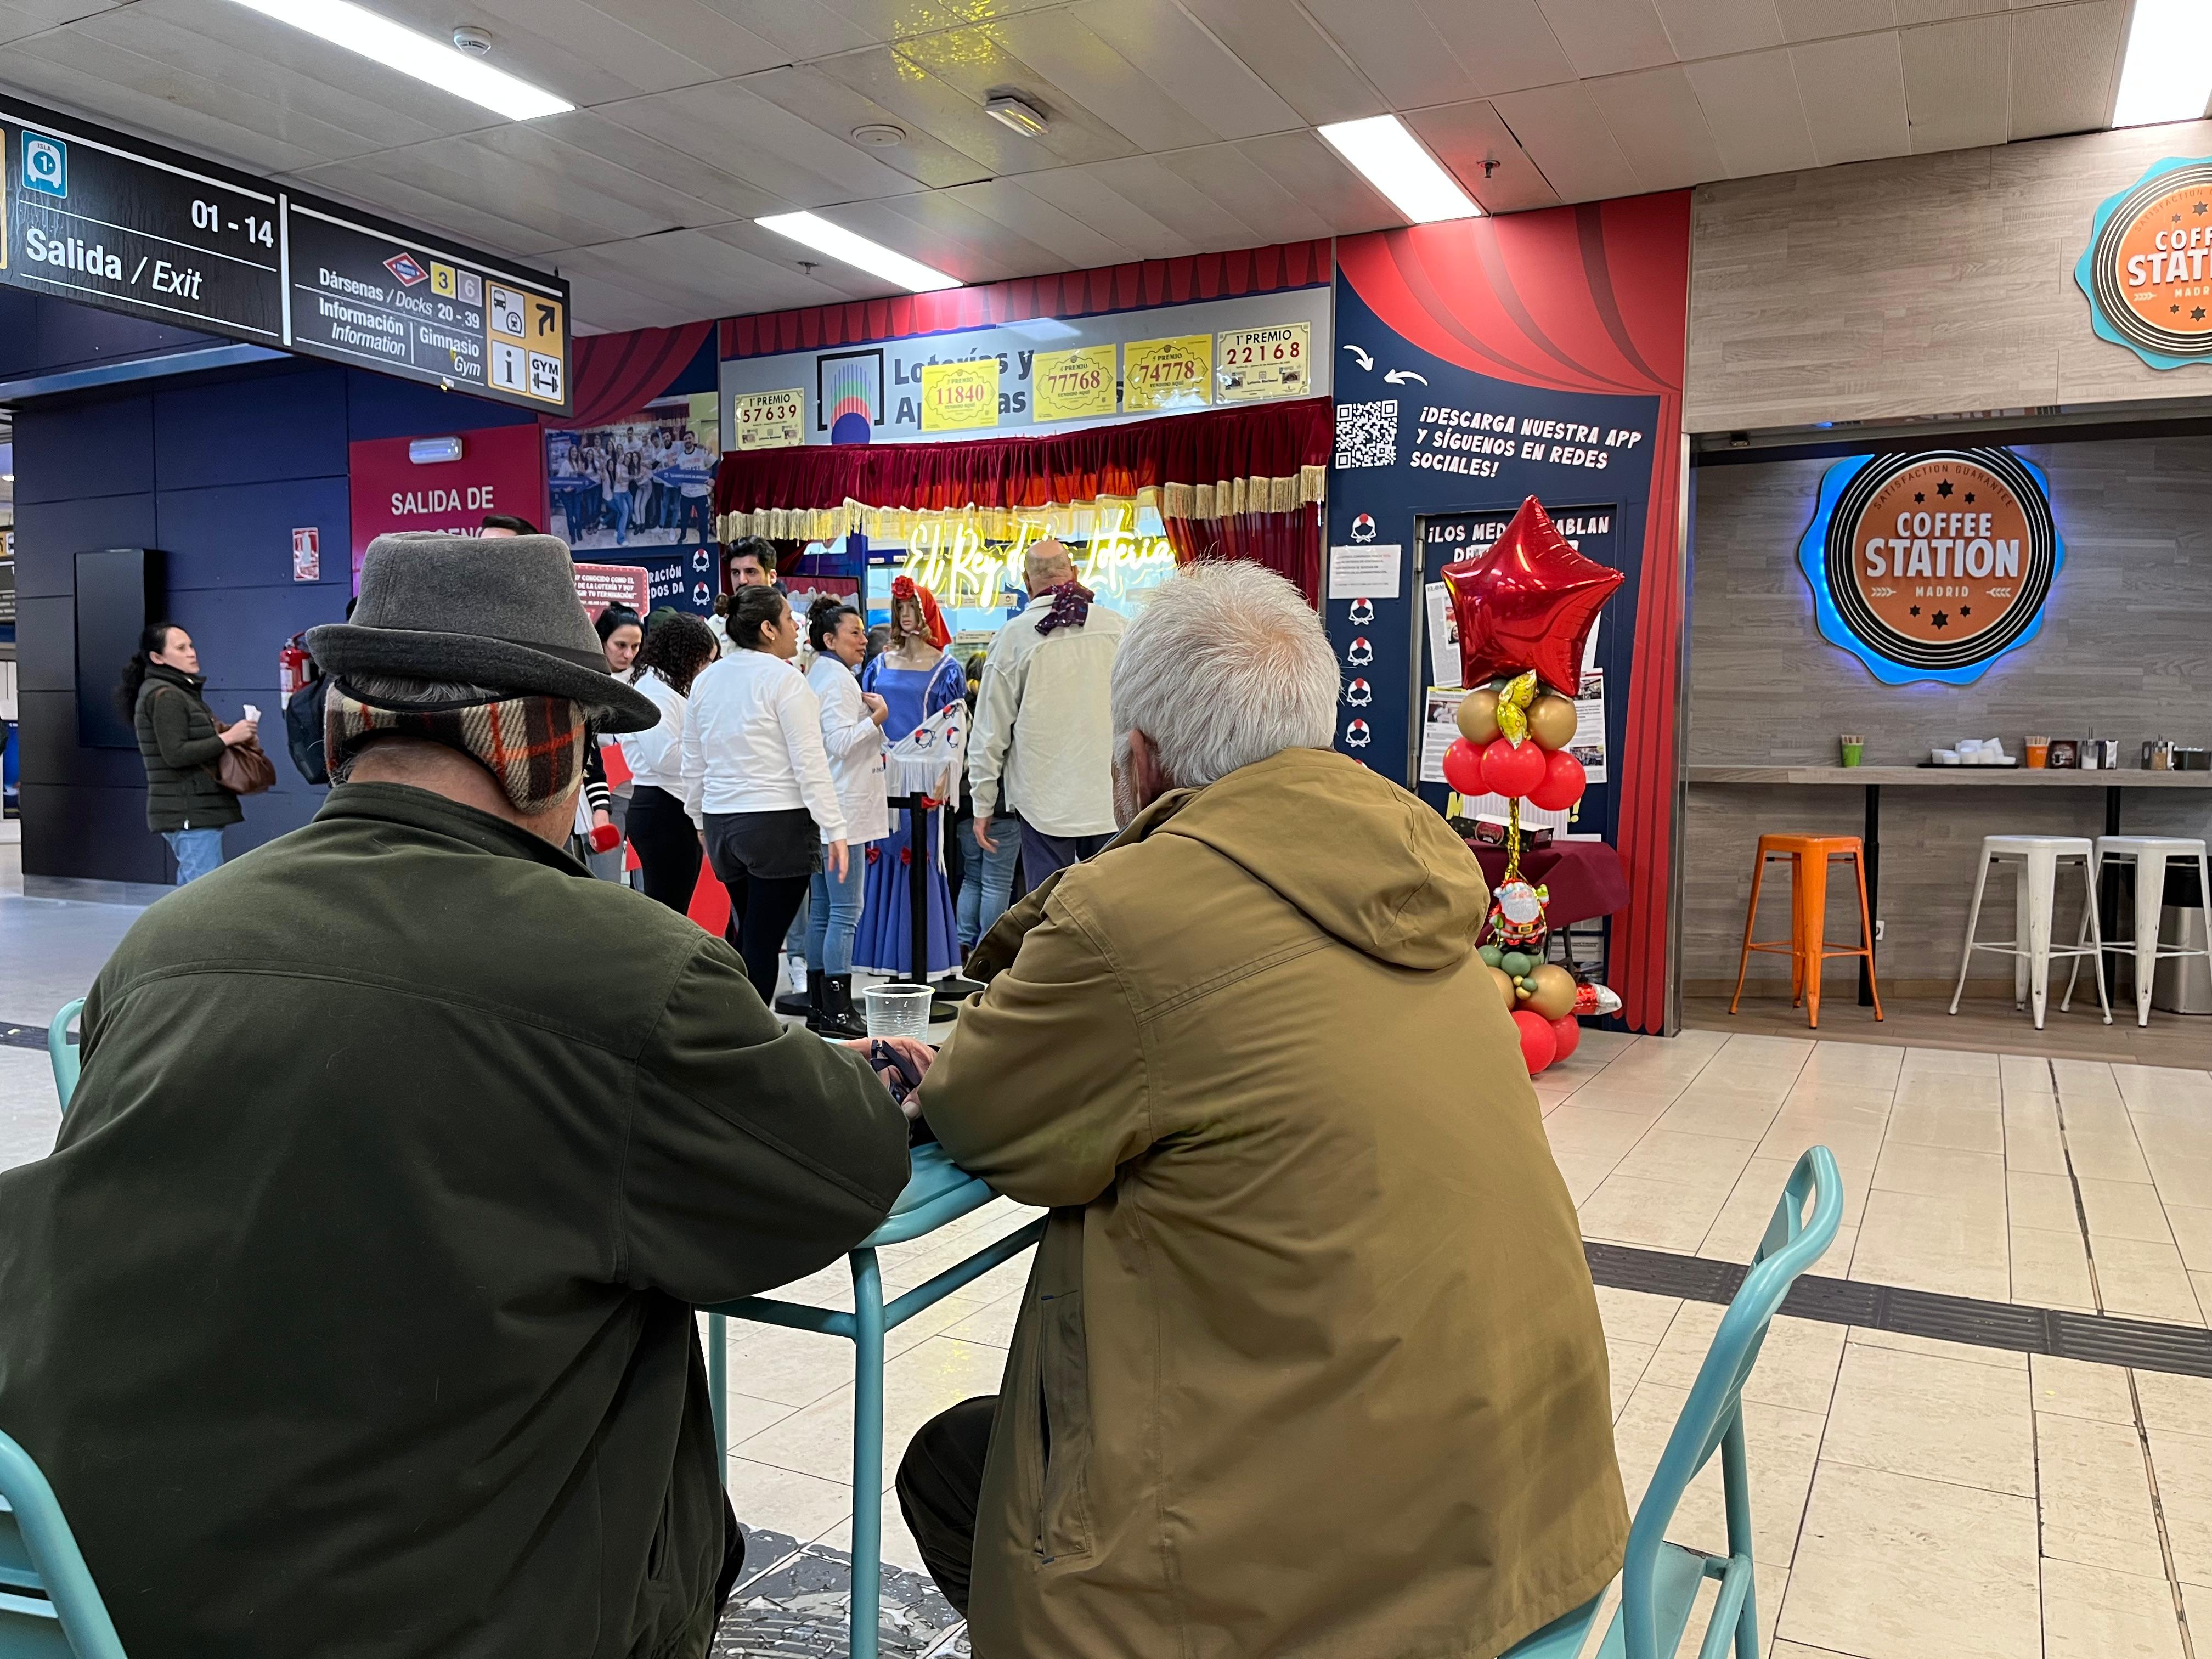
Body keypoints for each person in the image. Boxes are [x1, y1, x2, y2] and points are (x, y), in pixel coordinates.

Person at [0, 530, 922, 1659]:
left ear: (345, 729)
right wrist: (879, 1083)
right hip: (467, 1611)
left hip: (126, 1596)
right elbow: (845, 1174)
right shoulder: (630, 967)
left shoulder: (168, 944)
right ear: (534, 745)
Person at [898, 561, 1628, 1657]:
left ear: (1138, 761)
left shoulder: (1134, 914)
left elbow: (988, 1116)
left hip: (1336, 1557)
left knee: (967, 1477)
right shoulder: (1414, 868)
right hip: (1524, 1502)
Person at [681, 584, 849, 1002]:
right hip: (777, 823)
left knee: (750, 935)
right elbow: (810, 762)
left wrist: (699, 818)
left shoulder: (707, 680)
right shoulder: (785, 680)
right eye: (791, 618)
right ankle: (750, 1042)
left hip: (723, 825)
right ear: (769, 629)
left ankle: (734, 1030)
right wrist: (836, 827)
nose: (798, 626)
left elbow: (693, 759)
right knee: (760, 942)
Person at [967, 537, 1125, 890]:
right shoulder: (1118, 628)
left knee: (1046, 910)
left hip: (1043, 806)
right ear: (1076, 573)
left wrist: (983, 804)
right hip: (1110, 801)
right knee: (1113, 905)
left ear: (1026, 583)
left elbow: (990, 733)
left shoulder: (1012, 638)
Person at [852, 578, 964, 981]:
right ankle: (882, 955)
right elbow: (861, 717)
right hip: (880, 771)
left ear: (926, 612)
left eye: (911, 607)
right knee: (878, 854)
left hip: (921, 775)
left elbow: (954, 725)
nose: (905, 615)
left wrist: (946, 772)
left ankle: (924, 959)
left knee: (919, 856)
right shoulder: (878, 665)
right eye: (899, 608)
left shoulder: (946, 668)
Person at [802, 597, 890, 1037]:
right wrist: (878, 717)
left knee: (823, 911)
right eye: (853, 632)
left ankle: (821, 1007)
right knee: (844, 912)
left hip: (826, 806)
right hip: (844, 810)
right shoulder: (836, 680)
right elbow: (838, 741)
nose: (862, 639)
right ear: (829, 639)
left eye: (861, 631)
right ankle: (838, 1010)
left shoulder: (820, 674)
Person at [119, 622, 257, 884]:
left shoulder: (179, 693)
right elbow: (176, 754)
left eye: (191, 646)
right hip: (187, 810)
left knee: (193, 891)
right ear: (157, 658)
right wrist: (228, 738)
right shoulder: (167, 697)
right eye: (181, 648)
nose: (192, 653)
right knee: (202, 893)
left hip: (193, 809)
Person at [619, 611, 718, 913]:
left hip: (671, 805)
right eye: (704, 661)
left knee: (674, 905)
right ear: (686, 655)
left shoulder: (666, 686)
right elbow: (664, 758)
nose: (707, 670)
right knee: (669, 908)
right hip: (663, 807)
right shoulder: (654, 689)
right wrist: (710, 750)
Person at [953, 652, 1017, 953]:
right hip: (1002, 808)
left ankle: (962, 942)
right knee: (997, 883)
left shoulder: (959, 711)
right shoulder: (1005, 713)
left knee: (972, 878)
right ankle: (986, 950)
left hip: (965, 806)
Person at [586, 605, 646, 883]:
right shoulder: (589, 678)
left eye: (635, 646)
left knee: (647, 878)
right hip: (603, 792)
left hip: (643, 790)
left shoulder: (647, 679)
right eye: (620, 645)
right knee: (605, 875)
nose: (628, 654)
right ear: (602, 641)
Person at [707, 537, 780, 656]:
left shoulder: (796, 627)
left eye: (751, 572)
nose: (742, 581)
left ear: (772, 577)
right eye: (736, 573)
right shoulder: (715, 626)